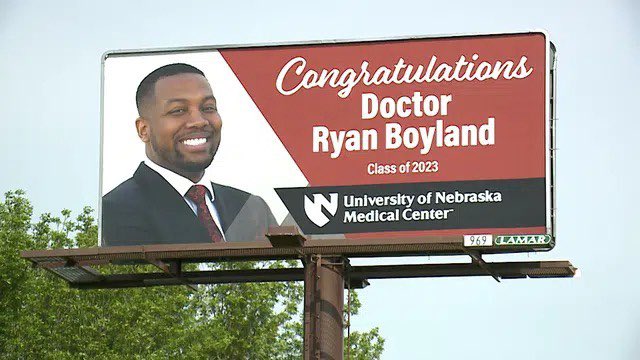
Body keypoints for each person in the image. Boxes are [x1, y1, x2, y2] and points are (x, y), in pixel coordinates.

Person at [101, 63, 277, 246]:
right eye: (178, 111)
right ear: (143, 129)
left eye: (208, 108)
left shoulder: (251, 208)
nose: (199, 121)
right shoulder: (116, 210)